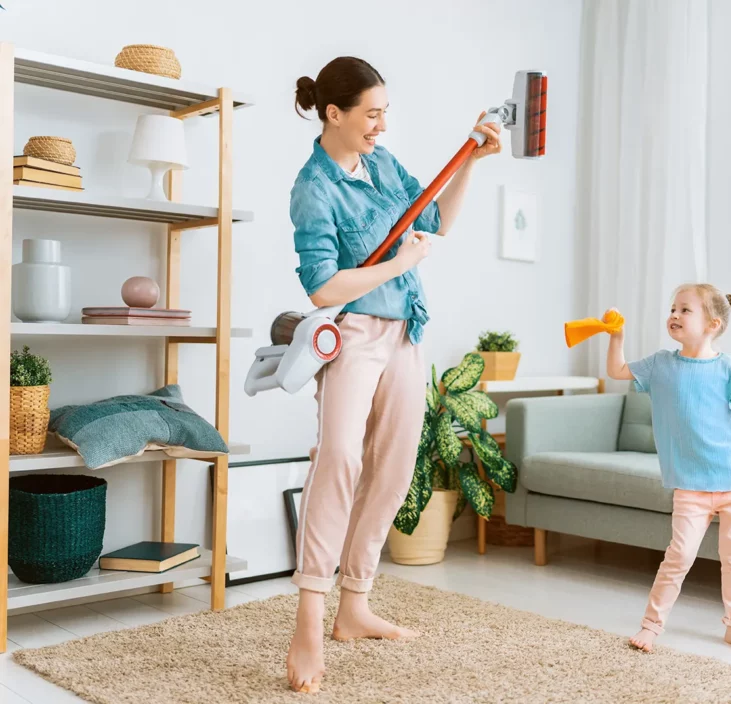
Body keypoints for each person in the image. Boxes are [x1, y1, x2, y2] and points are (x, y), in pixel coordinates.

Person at [284, 56, 501, 694]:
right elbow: (324, 288)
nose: (381, 125)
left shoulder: (381, 165)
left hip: (405, 331)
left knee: (395, 465)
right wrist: (395, 263)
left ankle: (355, 604)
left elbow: (432, 220)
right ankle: (308, 620)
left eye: (385, 112)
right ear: (334, 113)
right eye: (371, 113)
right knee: (339, 462)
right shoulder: (313, 187)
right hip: (352, 336)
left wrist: (470, 164)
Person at [605, 284, 731, 655]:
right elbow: (617, 371)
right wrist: (617, 337)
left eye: (685, 310)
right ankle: (651, 626)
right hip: (690, 485)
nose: (674, 315)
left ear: (712, 324)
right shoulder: (660, 364)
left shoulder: (729, 367)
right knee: (680, 556)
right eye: (673, 308)